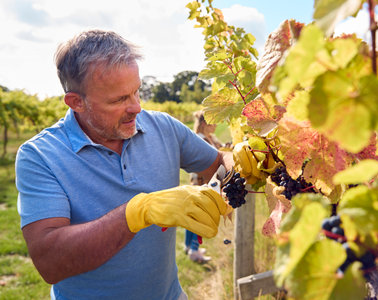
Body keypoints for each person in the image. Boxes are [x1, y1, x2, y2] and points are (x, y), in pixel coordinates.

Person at [15, 29, 233, 300]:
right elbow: (50, 262)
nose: (136, 107)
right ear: (76, 103)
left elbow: (218, 163)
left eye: (136, 92)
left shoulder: (163, 127)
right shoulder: (40, 156)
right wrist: (136, 213)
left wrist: (237, 159)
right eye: (119, 99)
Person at [184, 111, 223, 263]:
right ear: (204, 124)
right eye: (213, 122)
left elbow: (223, 149)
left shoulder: (210, 138)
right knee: (199, 217)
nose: (216, 125)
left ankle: (189, 246)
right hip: (200, 183)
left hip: (205, 182)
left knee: (193, 215)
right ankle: (194, 252)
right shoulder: (199, 140)